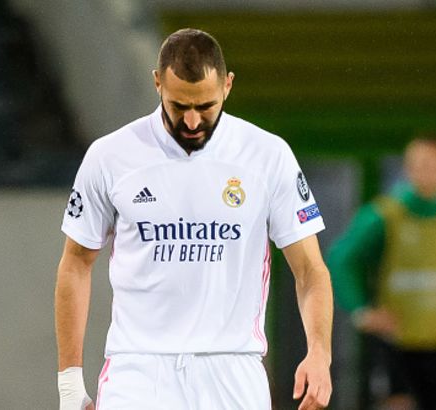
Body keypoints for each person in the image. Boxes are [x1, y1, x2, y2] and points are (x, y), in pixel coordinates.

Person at [55, 28, 333, 410]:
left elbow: (310, 270)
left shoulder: (268, 156)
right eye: (178, 106)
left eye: (205, 106)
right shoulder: (110, 156)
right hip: (138, 370)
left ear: (228, 86)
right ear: (157, 83)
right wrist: (69, 382)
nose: (190, 121)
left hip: (232, 370)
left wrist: (319, 352)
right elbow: (75, 263)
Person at [327, 135, 436, 410]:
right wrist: (361, 310)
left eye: (433, 165)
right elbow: (341, 259)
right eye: (419, 165)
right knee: (396, 402)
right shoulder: (384, 215)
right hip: (392, 338)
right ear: (408, 168)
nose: (426, 172)